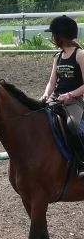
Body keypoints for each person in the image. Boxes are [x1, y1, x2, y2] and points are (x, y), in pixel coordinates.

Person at [40, 14, 84, 178]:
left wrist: (69, 95)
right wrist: (45, 95)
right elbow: (52, 82)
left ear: (60, 35)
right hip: (56, 98)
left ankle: (81, 162)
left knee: (72, 124)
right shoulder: (57, 57)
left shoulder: (80, 55)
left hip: (75, 101)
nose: (52, 38)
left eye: (53, 34)